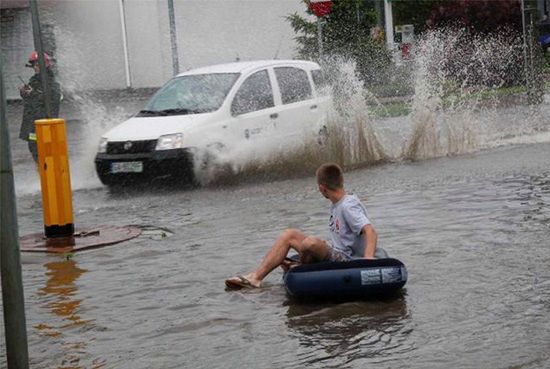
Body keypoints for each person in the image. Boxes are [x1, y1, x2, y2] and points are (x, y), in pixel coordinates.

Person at [225, 162, 379, 289]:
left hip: (349, 260)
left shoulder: (347, 206)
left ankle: (300, 265)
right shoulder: (336, 204)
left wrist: (368, 259)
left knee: (310, 242)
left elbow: (370, 231)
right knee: (289, 234)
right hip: (338, 252)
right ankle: (255, 277)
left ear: (322, 188)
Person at [19, 51, 62, 162]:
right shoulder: (35, 81)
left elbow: (52, 100)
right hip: (33, 127)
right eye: (34, 65)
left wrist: (32, 93)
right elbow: (31, 101)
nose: (35, 68)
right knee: (36, 153)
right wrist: (25, 92)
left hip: (44, 126)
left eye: (38, 65)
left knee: (46, 158)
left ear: (45, 65)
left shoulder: (51, 83)